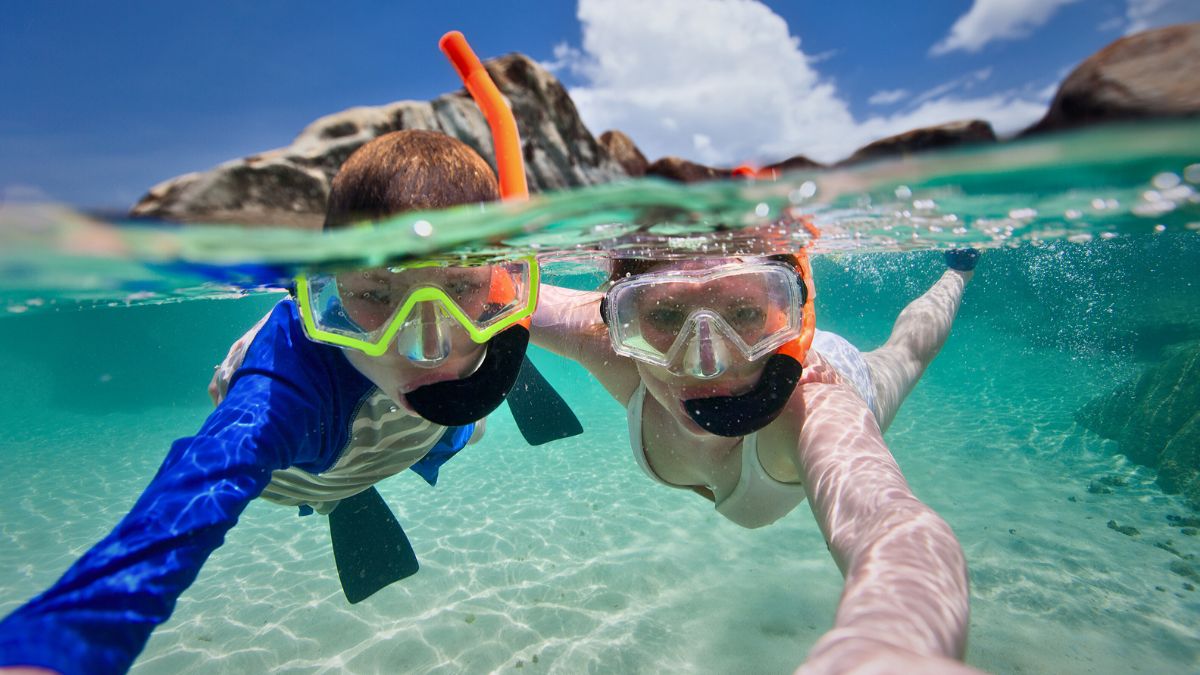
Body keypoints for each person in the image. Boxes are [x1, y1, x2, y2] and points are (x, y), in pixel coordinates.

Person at [0, 129, 542, 675]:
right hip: (304, 469)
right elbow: (187, 500)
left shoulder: (483, 311)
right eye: (376, 294)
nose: (427, 349)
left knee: (464, 422)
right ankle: (342, 495)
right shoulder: (284, 389)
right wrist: (55, 651)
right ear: (324, 288)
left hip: (407, 434)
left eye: (462, 287)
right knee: (418, 427)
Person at [530, 244, 983, 673]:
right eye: (666, 315)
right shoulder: (614, 347)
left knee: (906, 352)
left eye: (743, 313)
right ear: (621, 319)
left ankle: (958, 272)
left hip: (829, 367)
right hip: (763, 340)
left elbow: (888, 522)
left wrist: (893, 644)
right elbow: (506, 291)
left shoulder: (814, 411)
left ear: (790, 310)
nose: (706, 364)